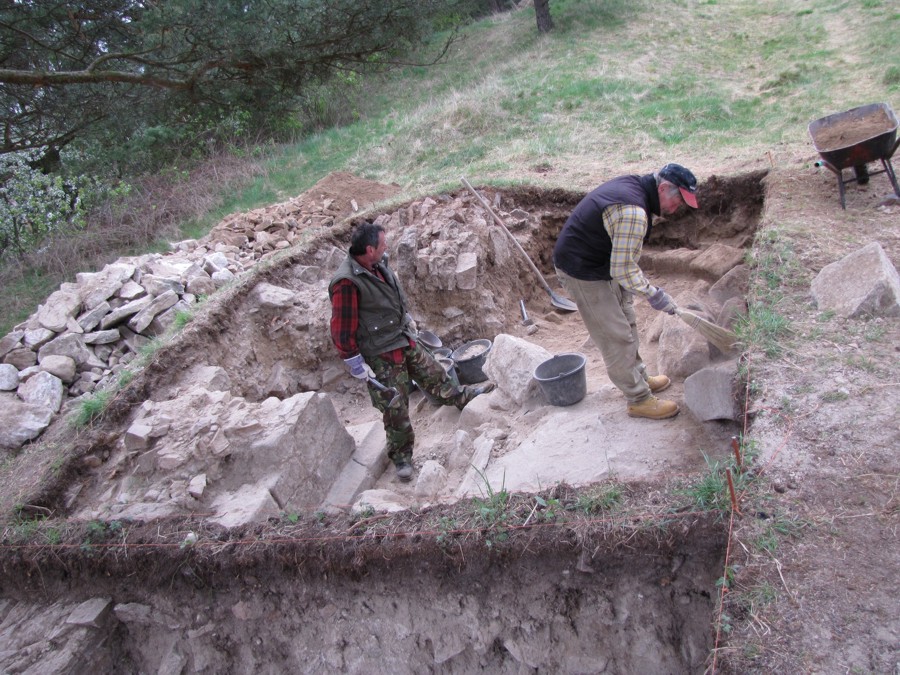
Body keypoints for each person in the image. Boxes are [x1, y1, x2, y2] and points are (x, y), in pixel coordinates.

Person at [329, 221, 495, 481]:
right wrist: (354, 361)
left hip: (402, 338)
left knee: (434, 372)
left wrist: (406, 320)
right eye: (383, 244)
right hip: (381, 353)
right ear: (369, 249)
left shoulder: (377, 265)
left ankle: (462, 397)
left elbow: (390, 298)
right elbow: (341, 328)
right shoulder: (347, 283)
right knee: (395, 406)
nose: (387, 247)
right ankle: (402, 458)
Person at [552, 163, 699, 420]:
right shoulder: (634, 212)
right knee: (616, 335)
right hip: (581, 269)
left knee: (627, 318)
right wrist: (654, 294)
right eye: (678, 201)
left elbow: (622, 262)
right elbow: (623, 269)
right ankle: (638, 399)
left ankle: (639, 376)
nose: (678, 209)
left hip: (602, 262)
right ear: (663, 188)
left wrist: (643, 290)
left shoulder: (639, 189)